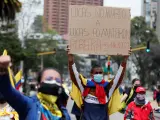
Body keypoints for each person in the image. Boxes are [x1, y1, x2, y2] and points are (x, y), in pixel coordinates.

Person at [67, 46, 130, 120]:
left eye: (100, 72)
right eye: (96, 73)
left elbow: (119, 77)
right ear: (91, 74)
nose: (98, 74)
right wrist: (70, 59)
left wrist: (124, 60)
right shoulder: (84, 86)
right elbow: (74, 75)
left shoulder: (108, 87)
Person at [0, 55, 71, 120]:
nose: (54, 82)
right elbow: (8, 91)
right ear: (38, 85)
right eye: (49, 79)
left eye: (57, 80)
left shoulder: (64, 113)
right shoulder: (29, 104)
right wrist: (3, 71)